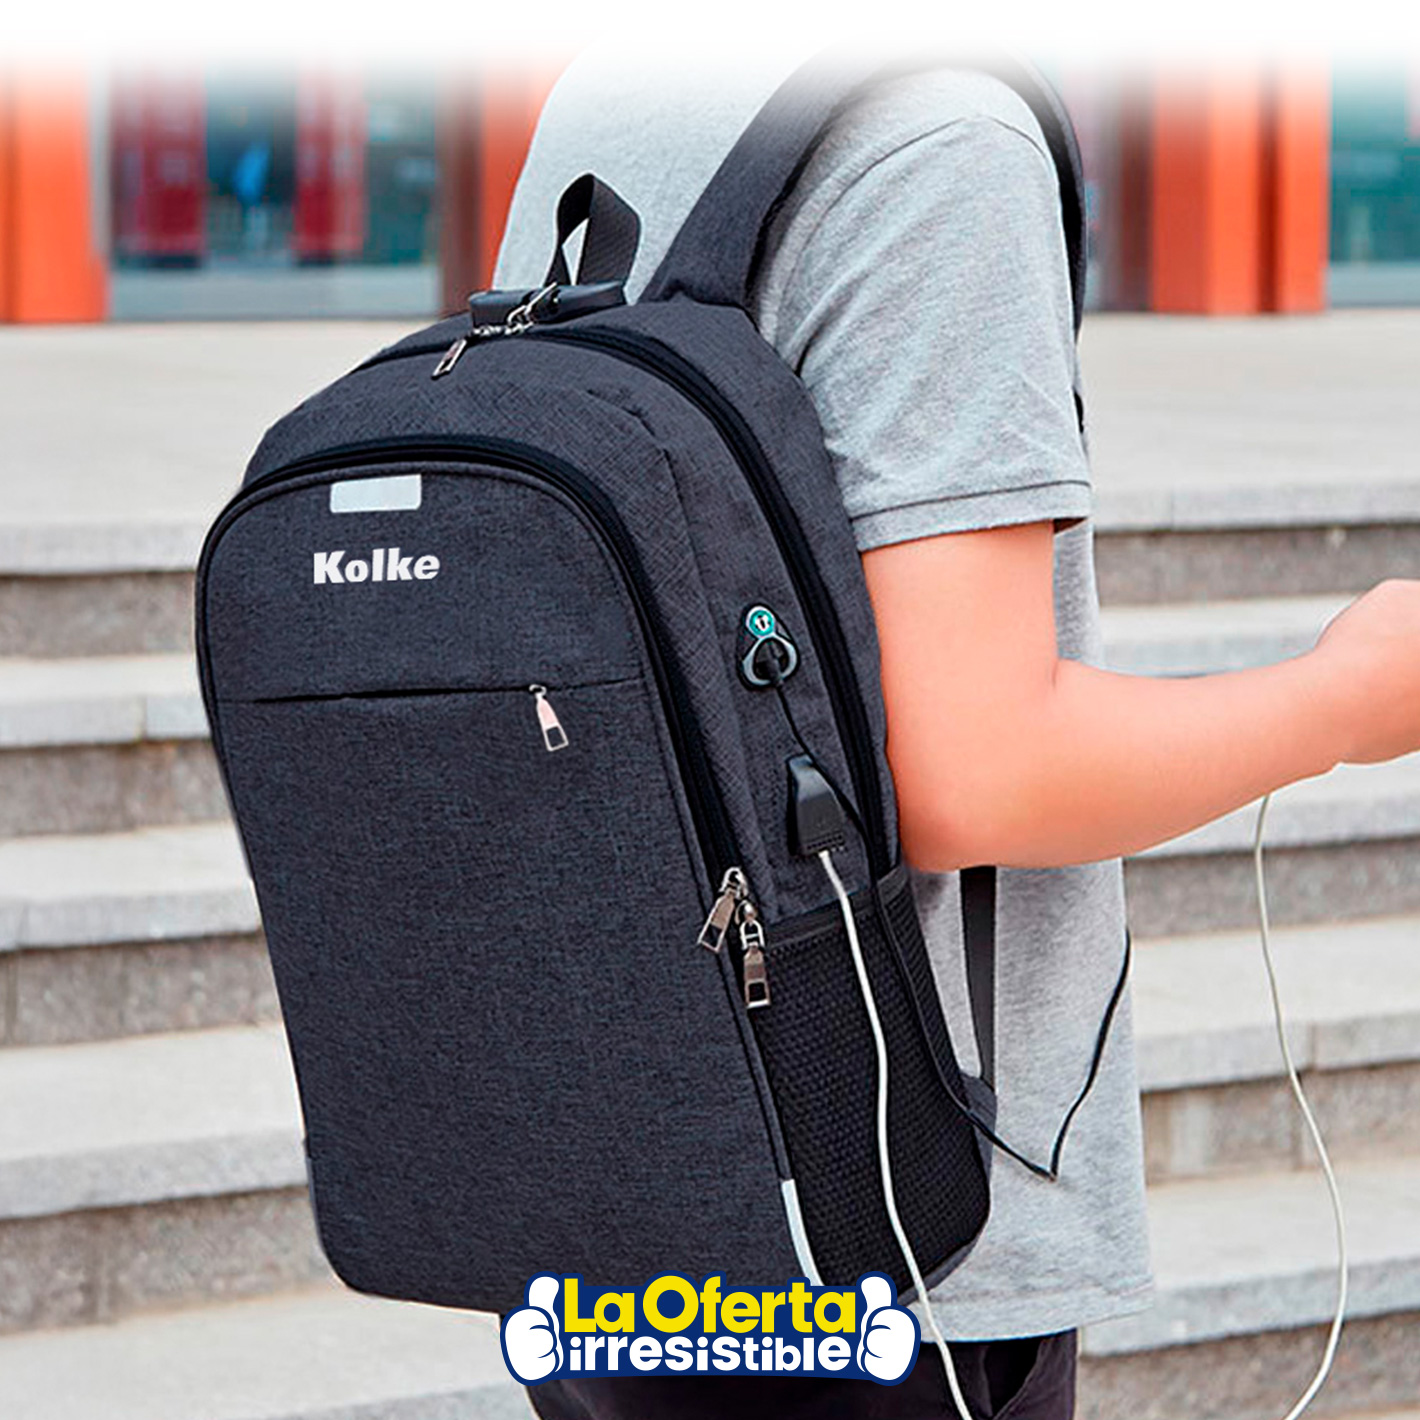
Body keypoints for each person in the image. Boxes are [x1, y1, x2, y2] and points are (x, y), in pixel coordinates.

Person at [493, 48, 1420, 1420]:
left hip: (612, 1166)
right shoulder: (942, 142)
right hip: (888, 1214)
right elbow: (975, 771)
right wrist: (1346, 698)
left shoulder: (625, 75)